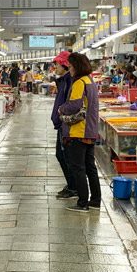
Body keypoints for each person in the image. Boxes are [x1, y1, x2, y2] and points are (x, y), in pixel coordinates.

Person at [58, 52, 101, 212]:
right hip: (90, 131)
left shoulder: (79, 83)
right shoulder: (90, 81)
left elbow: (74, 105)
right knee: (90, 167)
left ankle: (83, 203)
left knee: (78, 168)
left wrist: (60, 109)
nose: (69, 69)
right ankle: (95, 200)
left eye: (70, 66)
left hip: (78, 131)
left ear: (76, 66)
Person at [50, 51, 78, 200]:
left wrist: (61, 115)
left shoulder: (70, 82)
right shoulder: (64, 80)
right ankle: (72, 185)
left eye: (56, 64)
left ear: (65, 65)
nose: (55, 67)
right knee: (62, 155)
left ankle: (74, 187)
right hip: (62, 123)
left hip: (65, 124)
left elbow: (71, 104)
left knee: (65, 156)